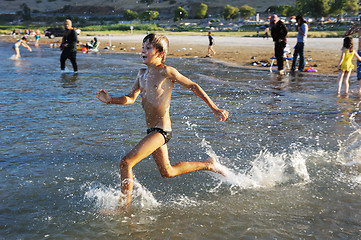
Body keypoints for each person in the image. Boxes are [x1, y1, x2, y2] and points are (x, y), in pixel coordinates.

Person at [96, 33, 229, 209]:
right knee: (168, 172)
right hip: (152, 131)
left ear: (160, 53)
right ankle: (208, 164)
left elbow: (193, 86)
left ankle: (123, 208)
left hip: (162, 130)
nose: (143, 50)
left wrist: (214, 108)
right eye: (142, 47)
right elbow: (130, 98)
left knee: (126, 162)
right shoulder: (141, 74)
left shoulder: (166, 71)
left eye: (148, 47)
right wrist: (110, 99)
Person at [345, 17, 361, 94]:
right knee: (359, 70)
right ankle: (359, 89)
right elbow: (346, 34)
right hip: (359, 51)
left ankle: (359, 89)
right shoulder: (358, 29)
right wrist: (353, 27)